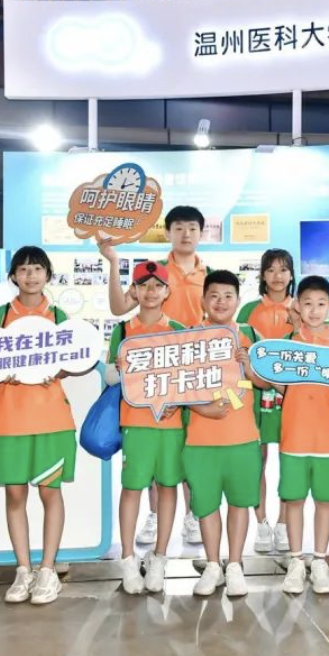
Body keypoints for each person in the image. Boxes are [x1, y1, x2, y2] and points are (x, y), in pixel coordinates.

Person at [100, 206, 208, 548]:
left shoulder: (209, 274)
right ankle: (153, 514)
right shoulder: (156, 270)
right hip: (149, 378)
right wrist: (113, 262)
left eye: (192, 228)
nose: (186, 234)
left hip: (190, 372)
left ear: (201, 232)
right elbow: (119, 308)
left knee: (186, 450)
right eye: (179, 227)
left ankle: (191, 516)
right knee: (149, 457)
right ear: (169, 232)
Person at [0, 247, 77, 606]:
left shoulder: (58, 316)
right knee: (14, 494)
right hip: (10, 418)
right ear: (13, 276)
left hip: (52, 418)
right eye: (23, 269)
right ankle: (23, 569)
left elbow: (74, 360)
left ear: (48, 274)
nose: (30, 275)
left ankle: (48, 570)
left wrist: (59, 370)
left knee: (50, 492)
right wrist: (0, 371)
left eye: (37, 269)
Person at [185, 270, 270, 597]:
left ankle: (234, 565)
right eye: (214, 296)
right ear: (203, 300)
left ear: (237, 300)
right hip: (200, 439)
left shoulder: (250, 334)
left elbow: (265, 382)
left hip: (243, 437)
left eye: (228, 296)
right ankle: (212, 565)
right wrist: (202, 409)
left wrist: (248, 366)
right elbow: (177, 386)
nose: (221, 302)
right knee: (206, 504)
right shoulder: (190, 337)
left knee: (239, 502)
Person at [107, 261, 187, 595]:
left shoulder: (180, 330)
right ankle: (128, 558)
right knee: (132, 488)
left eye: (157, 286)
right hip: (135, 422)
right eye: (144, 285)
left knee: (168, 487)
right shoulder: (123, 331)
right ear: (134, 291)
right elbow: (110, 376)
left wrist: (176, 401)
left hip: (171, 423)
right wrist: (120, 370)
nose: (151, 292)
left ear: (167, 292)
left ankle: (160, 557)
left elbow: (189, 378)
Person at [276, 276, 329, 595]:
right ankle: (295, 560)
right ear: (297, 306)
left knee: (324, 500)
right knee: (294, 500)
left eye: (321, 304)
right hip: (294, 435)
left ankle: (319, 560)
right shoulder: (287, 343)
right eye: (307, 304)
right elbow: (279, 385)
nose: (314, 310)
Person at [237, 248, 298, 555]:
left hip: (291, 394)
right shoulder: (248, 310)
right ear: (262, 275)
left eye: (283, 270)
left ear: (292, 275)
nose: (277, 276)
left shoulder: (300, 308)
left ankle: (284, 522)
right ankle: (261, 522)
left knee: (290, 459)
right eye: (271, 270)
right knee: (256, 460)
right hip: (255, 394)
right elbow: (236, 352)